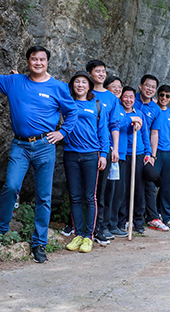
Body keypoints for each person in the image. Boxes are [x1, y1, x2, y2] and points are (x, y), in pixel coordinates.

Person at [0, 47, 78, 264]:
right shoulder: (15, 82)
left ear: (47, 62)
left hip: (45, 145)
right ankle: (0, 229)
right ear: (28, 61)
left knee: (44, 196)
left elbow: (72, 111)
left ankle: (39, 243)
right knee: (11, 185)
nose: (38, 62)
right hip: (20, 145)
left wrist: (62, 132)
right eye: (34, 59)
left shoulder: (58, 87)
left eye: (42, 59)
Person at [63, 71, 108, 254]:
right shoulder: (66, 103)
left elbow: (103, 130)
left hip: (91, 155)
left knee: (90, 197)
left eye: (84, 82)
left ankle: (89, 236)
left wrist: (103, 154)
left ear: (89, 86)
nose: (80, 85)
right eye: (77, 82)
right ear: (72, 85)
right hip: (70, 154)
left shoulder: (96, 104)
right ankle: (78, 234)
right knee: (74, 196)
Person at [86, 60, 122, 245]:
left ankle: (99, 227)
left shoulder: (112, 99)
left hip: (103, 148)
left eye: (103, 71)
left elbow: (114, 125)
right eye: (97, 71)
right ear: (89, 74)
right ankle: (78, 225)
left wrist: (114, 148)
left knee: (100, 190)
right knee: (83, 188)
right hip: (84, 147)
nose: (101, 74)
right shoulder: (84, 93)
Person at [117, 86, 150, 235]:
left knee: (138, 188)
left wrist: (148, 153)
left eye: (131, 97)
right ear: (121, 98)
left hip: (139, 153)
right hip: (124, 154)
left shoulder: (140, 114)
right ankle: (123, 219)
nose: (128, 100)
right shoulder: (118, 113)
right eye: (125, 97)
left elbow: (146, 135)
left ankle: (138, 221)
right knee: (123, 188)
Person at [134, 75, 164, 231]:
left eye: (153, 87)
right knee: (129, 185)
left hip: (144, 152)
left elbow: (154, 133)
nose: (150, 89)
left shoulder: (156, 109)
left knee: (149, 184)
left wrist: (152, 155)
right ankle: (128, 218)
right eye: (147, 85)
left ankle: (152, 217)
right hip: (128, 150)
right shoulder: (132, 100)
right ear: (140, 86)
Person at [149, 84, 170, 229]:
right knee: (150, 185)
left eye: (167, 96)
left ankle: (168, 217)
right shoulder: (153, 110)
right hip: (156, 152)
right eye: (161, 95)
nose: (164, 98)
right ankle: (151, 216)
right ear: (157, 95)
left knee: (168, 186)